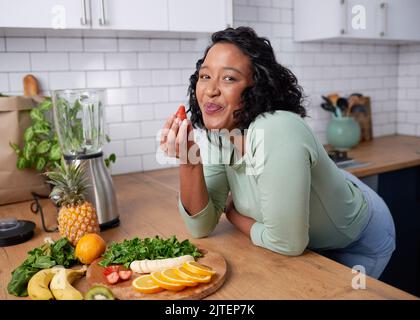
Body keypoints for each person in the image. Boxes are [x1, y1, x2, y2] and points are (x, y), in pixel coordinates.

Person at [159, 26, 395, 279]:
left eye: (229, 78)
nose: (211, 90)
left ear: (257, 86)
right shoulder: (222, 134)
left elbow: (287, 243)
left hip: (358, 240)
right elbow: (201, 226)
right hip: (310, 243)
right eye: (205, 76)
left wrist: (233, 214)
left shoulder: (277, 129)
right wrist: (188, 161)